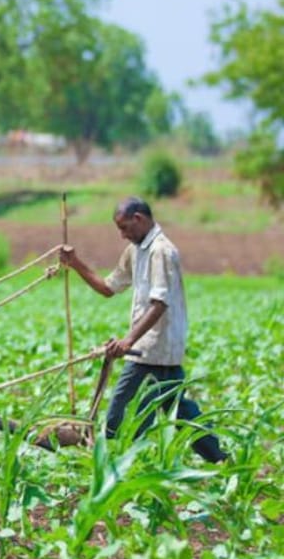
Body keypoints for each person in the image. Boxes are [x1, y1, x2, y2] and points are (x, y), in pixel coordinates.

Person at [59, 196, 228, 462]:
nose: (122, 235)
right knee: (180, 413)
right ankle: (221, 460)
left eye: (124, 228)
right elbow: (108, 288)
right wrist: (75, 263)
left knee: (119, 419)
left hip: (153, 351)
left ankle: (121, 467)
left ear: (138, 219)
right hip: (153, 352)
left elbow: (160, 304)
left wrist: (128, 341)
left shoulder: (162, 251)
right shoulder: (135, 251)